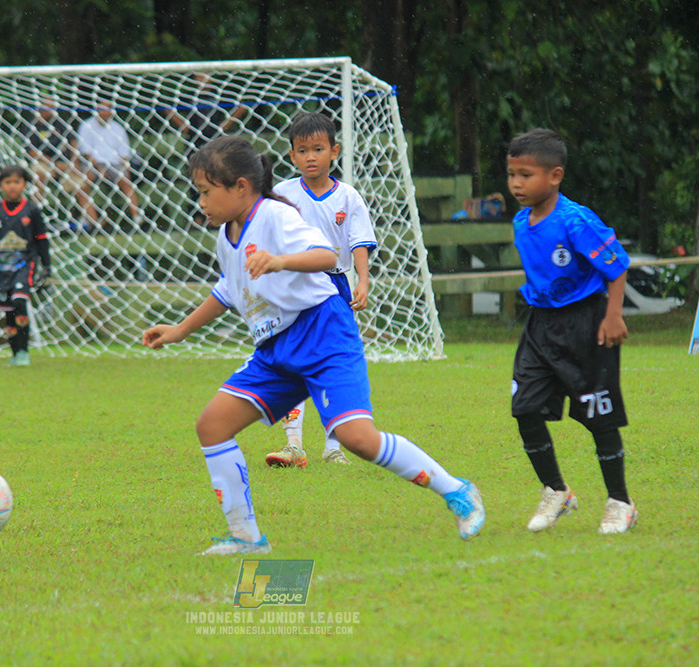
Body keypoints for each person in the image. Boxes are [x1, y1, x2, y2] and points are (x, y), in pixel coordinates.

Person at [142, 136, 484, 555]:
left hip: (323, 332)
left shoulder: (275, 217)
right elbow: (228, 291)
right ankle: (247, 540)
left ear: (242, 187)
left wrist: (280, 260)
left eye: (206, 192)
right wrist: (180, 329)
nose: (201, 203)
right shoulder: (225, 235)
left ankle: (458, 490)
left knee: (356, 438)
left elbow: (326, 256)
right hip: (276, 348)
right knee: (211, 426)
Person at [506, 128, 637, 535]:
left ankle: (620, 502)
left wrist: (613, 316)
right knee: (524, 407)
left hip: (586, 323)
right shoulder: (519, 220)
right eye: (511, 174)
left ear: (555, 176)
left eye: (526, 175)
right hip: (541, 325)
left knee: (599, 416)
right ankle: (556, 490)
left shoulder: (575, 220)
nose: (516, 184)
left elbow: (616, 265)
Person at [264, 112, 377, 468]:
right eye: (302, 150)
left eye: (318, 148)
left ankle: (334, 446)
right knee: (290, 362)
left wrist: (362, 279)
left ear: (334, 151)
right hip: (292, 286)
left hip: (333, 285)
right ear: (292, 156)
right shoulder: (282, 194)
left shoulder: (348, 197)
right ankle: (293, 446)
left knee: (333, 364)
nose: (310, 156)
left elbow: (359, 241)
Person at [0, 165, 51, 367]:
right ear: (1, 185)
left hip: (25, 265)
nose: (12, 186)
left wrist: (47, 267)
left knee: (19, 302)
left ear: (24, 184)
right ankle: (15, 353)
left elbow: (42, 240)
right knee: (8, 311)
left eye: (16, 182)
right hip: (1, 268)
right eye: (8, 182)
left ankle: (24, 351)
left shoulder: (32, 210)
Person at [167, 72, 246, 225]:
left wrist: (223, 127)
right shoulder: (190, 96)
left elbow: (242, 106)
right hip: (194, 142)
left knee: (216, 176)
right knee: (195, 178)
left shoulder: (219, 94)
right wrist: (186, 128)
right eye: (198, 77)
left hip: (215, 142)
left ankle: (216, 215)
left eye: (205, 76)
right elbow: (167, 107)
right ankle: (197, 216)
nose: (202, 79)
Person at [76, 98, 141, 229]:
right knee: (83, 183)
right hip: (93, 164)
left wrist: (125, 169)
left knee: (125, 180)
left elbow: (124, 154)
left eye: (108, 110)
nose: (105, 113)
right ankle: (91, 220)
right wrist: (99, 168)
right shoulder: (86, 126)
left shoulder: (118, 128)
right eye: (102, 110)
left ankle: (137, 217)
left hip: (114, 164)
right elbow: (86, 152)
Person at [26, 97, 89, 216]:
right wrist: (53, 164)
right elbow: (32, 152)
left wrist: (75, 163)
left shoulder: (59, 123)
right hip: (44, 163)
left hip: (64, 164)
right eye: (47, 108)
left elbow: (73, 142)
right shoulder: (31, 126)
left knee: (82, 184)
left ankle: (93, 223)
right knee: (39, 174)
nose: (50, 111)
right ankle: (34, 215)